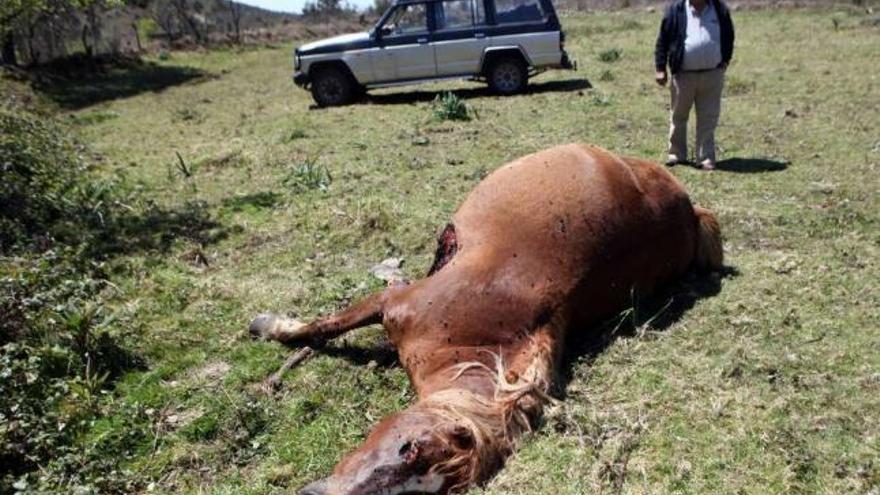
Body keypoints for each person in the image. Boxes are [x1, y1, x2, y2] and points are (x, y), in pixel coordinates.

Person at [655, 0, 735, 170]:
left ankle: (705, 158)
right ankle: (676, 154)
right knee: (679, 116)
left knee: (708, 118)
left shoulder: (719, 9)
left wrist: (725, 60)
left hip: (712, 74)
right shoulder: (675, 10)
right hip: (683, 75)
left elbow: (729, 35)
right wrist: (660, 68)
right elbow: (663, 39)